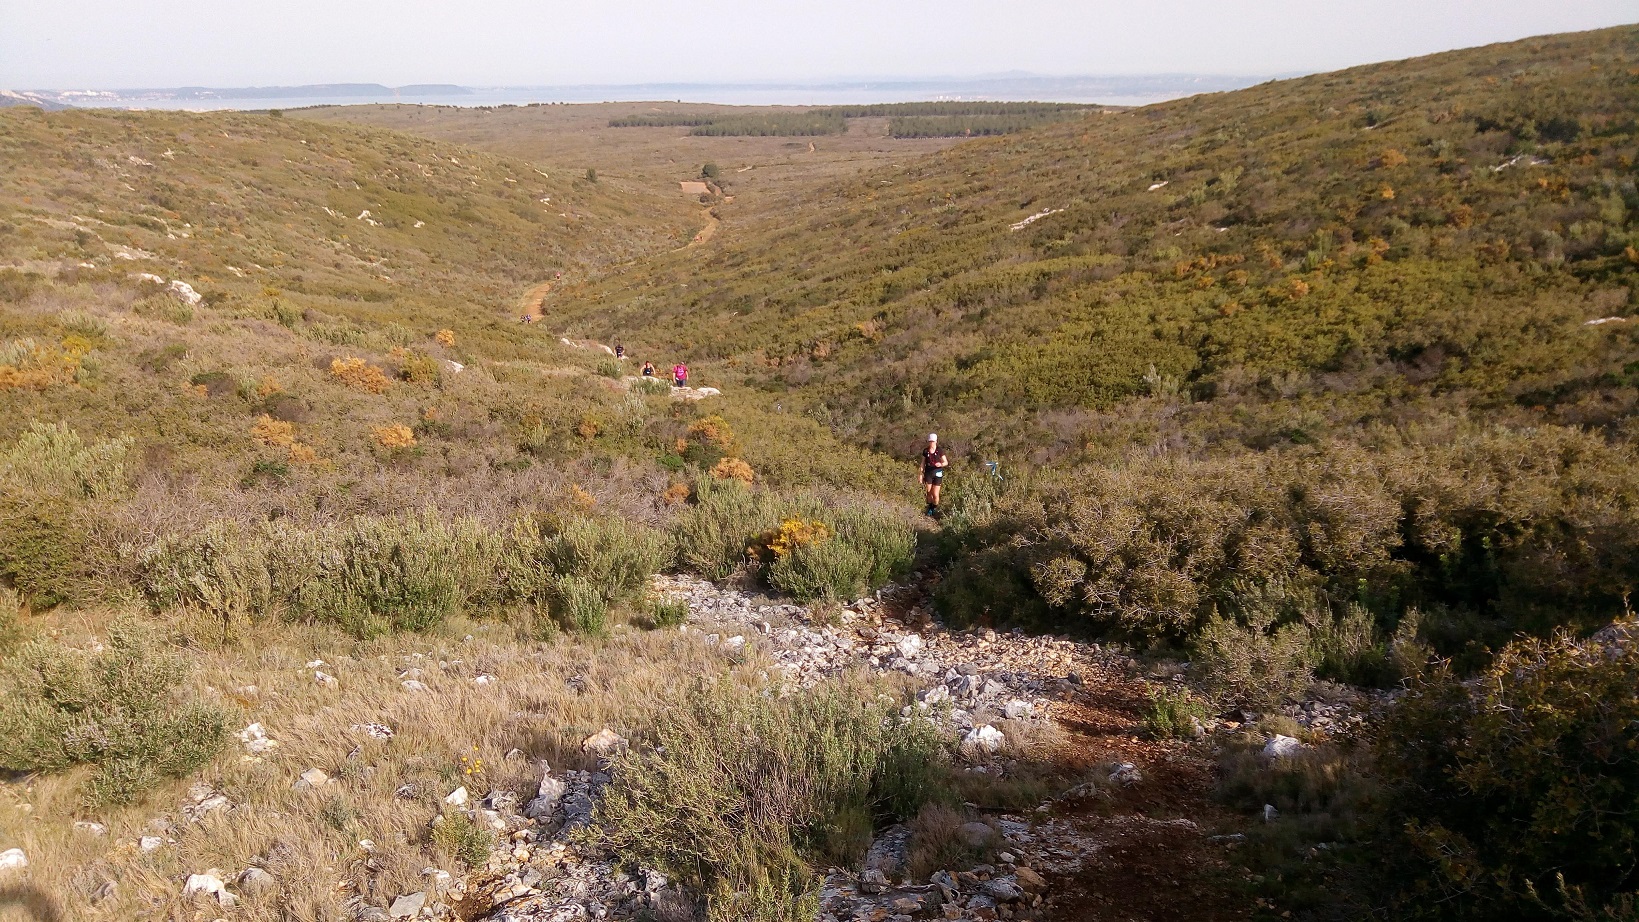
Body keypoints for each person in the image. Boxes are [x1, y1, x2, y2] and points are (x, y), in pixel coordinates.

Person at [920, 433, 948, 517]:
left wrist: (941, 464)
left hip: (938, 473)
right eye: (930, 441)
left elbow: (946, 462)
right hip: (928, 473)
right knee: (929, 493)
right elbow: (922, 463)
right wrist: (920, 474)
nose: (931, 443)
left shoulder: (939, 450)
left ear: (936, 441)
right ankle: (929, 507)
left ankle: (933, 508)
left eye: (933, 441)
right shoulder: (925, 451)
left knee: (935, 494)